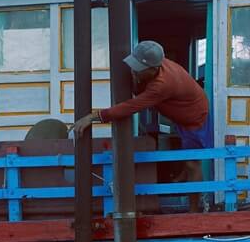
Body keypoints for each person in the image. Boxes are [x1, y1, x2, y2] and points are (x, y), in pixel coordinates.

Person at [72, 41, 211, 212]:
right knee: (186, 156)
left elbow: (131, 106)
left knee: (192, 163)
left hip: (194, 117)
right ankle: (182, 178)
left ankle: (193, 211)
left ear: (153, 69)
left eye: (138, 68)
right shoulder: (157, 66)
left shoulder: (162, 85)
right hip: (180, 112)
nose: (133, 70)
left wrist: (93, 117)